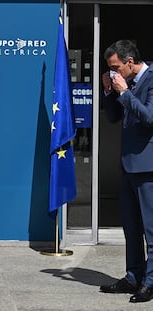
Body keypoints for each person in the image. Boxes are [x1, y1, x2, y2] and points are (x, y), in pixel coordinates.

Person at [99, 40, 153, 303]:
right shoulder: (124, 83)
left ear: (129, 62)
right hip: (127, 165)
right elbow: (112, 117)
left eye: (116, 68)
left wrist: (125, 93)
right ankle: (133, 276)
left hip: (148, 166)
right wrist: (109, 91)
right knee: (131, 228)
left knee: (150, 229)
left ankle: (150, 282)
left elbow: (150, 118)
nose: (114, 72)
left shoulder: (151, 79)